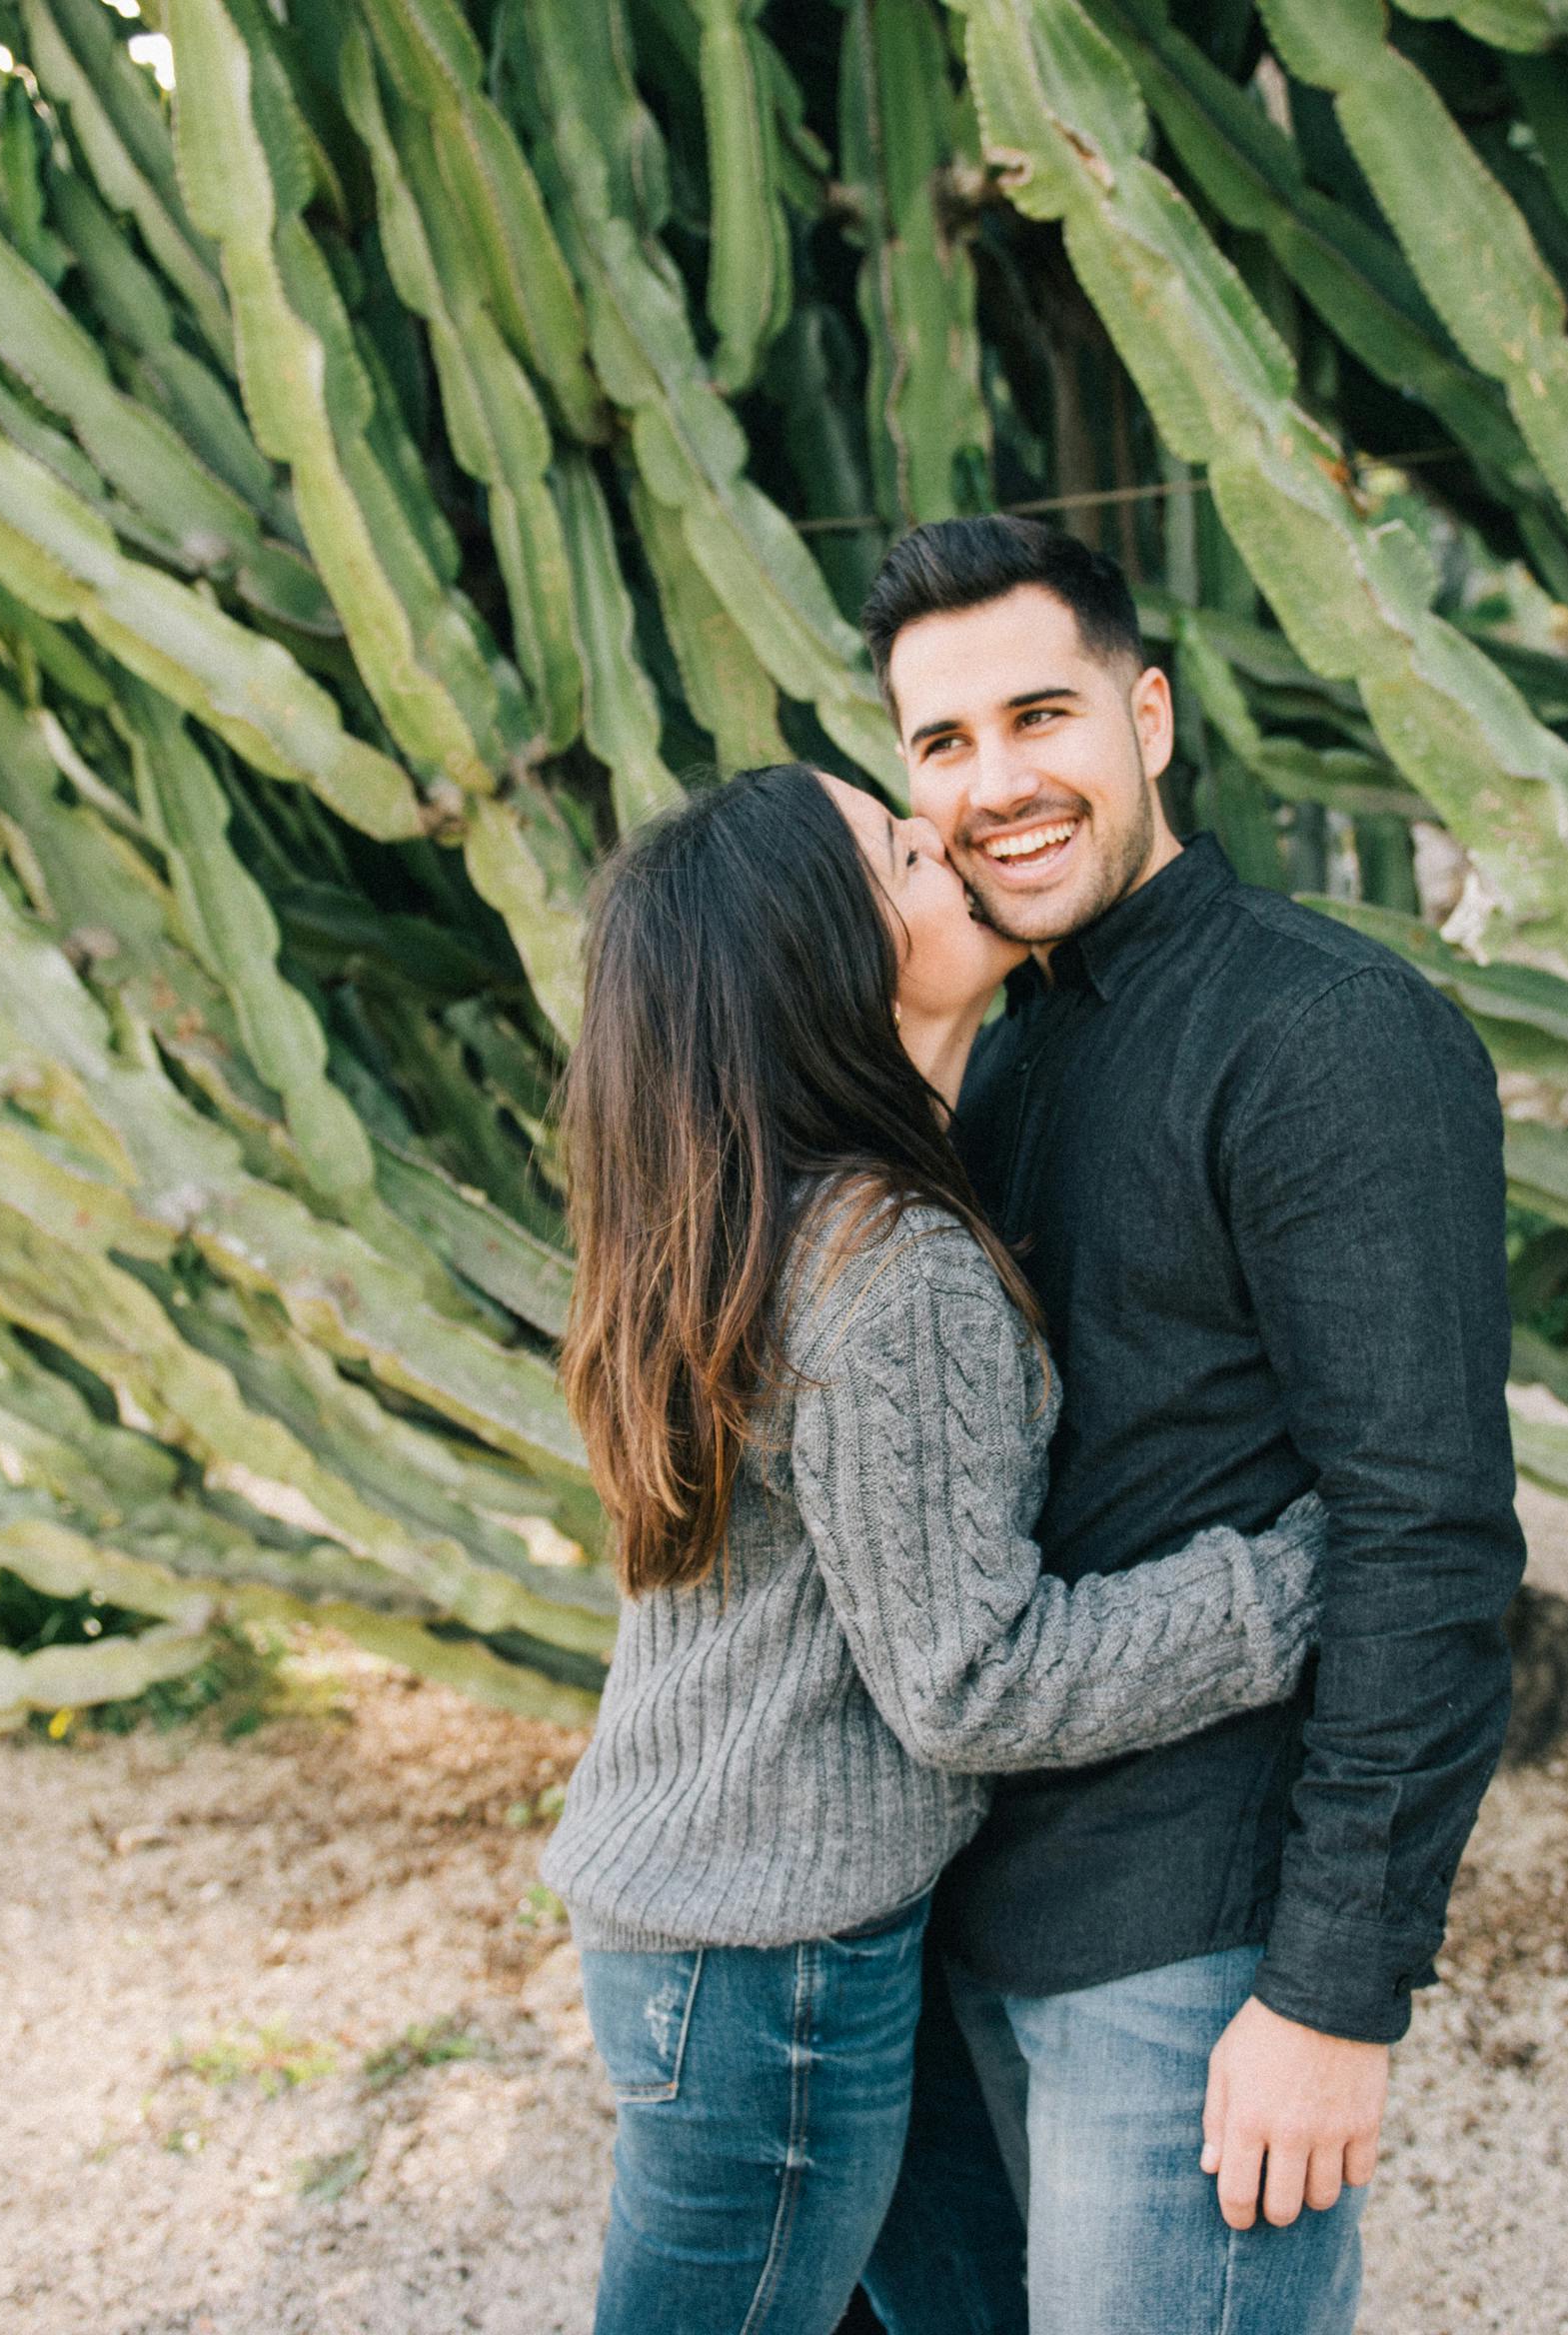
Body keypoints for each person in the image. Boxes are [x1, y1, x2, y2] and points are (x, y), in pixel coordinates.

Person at [541, 761, 1331, 2335]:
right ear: (830, 955)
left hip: (742, 1930)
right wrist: (1289, 1578)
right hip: (774, 1971)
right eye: (900, 850)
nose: (950, 839)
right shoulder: (890, 1266)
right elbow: (969, 1685)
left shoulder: (756, 1212)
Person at [861, 515, 1526, 2335]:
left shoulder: (1329, 1038)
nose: (999, 781)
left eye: (1042, 715)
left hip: (1194, 1946)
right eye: (944, 744)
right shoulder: (988, 1042)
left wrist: (1332, 1996)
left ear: (1148, 717)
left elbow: (1430, 1532)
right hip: (970, 1912)